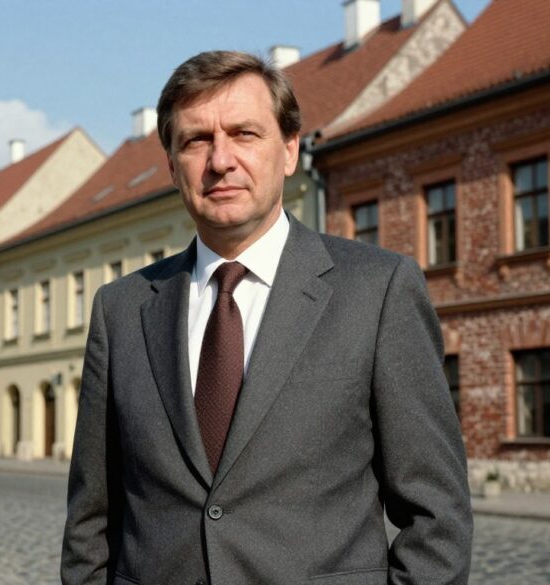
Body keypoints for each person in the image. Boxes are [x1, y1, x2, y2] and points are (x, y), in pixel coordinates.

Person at [62, 50, 472, 585]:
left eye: (244, 134)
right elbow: (90, 517)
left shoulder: (377, 291)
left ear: (289, 150)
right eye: (196, 140)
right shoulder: (121, 309)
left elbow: (437, 513)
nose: (220, 160)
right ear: (171, 166)